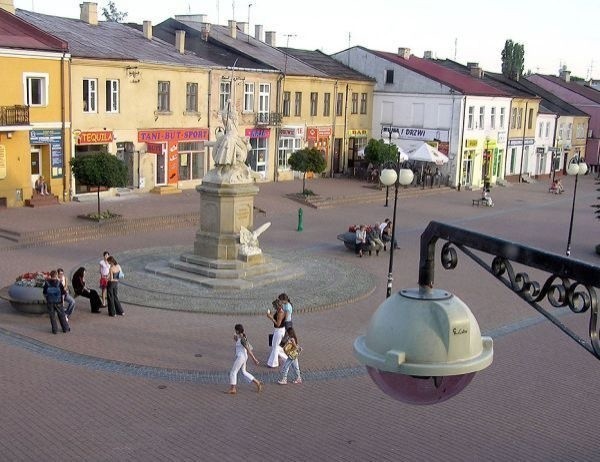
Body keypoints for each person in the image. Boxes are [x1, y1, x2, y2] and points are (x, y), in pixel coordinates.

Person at [225, 324, 262, 394]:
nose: (234, 331)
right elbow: (237, 341)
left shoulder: (242, 339)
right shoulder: (242, 337)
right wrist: (235, 337)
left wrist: (254, 359)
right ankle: (257, 382)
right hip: (244, 357)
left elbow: (248, 349)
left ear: (237, 331)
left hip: (241, 357)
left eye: (235, 330)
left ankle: (233, 388)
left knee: (233, 371)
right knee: (244, 372)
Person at [43, 270, 70, 334]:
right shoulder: (58, 283)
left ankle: (55, 330)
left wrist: (47, 298)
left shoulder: (47, 283)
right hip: (58, 301)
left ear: (50, 276)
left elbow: (44, 292)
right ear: (56, 275)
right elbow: (63, 292)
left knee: (52, 316)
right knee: (61, 315)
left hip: (50, 301)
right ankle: (65, 328)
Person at [266, 299, 287, 368]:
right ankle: (286, 359)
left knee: (275, 346)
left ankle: (273, 363)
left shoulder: (280, 313)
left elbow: (278, 324)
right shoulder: (279, 311)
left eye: (274, 306)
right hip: (279, 330)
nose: (273, 307)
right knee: (276, 345)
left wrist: (271, 317)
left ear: (277, 306)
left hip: (279, 330)